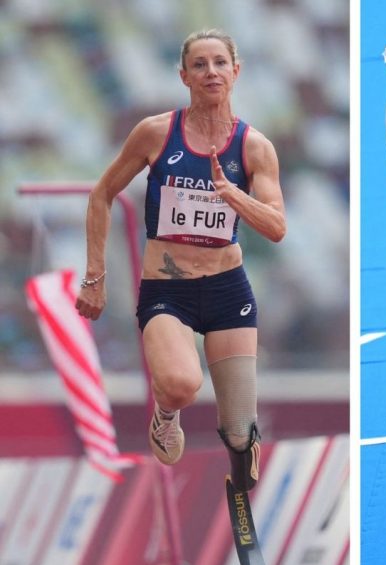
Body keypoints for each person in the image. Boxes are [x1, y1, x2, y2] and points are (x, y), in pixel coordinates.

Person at [75, 29, 286, 493]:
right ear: (184, 76)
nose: (210, 72)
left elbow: (276, 227)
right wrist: (94, 277)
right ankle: (165, 415)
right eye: (199, 65)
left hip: (228, 290)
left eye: (219, 63)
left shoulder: (255, 148)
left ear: (236, 71)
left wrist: (233, 195)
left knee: (239, 431)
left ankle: (240, 481)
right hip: (168, 290)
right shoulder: (156, 132)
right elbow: (101, 194)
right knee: (182, 384)